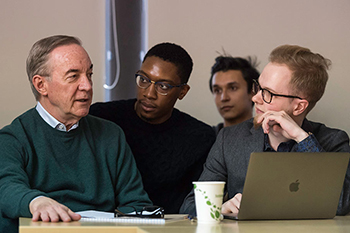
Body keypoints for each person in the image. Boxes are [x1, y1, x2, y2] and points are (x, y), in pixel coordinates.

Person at [0, 35, 152, 233]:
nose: (87, 86)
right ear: (41, 85)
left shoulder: (111, 135)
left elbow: (137, 204)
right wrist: (36, 202)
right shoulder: (13, 138)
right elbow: (6, 187)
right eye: (73, 76)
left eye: (89, 74)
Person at [180, 44, 350, 216]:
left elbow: (343, 204)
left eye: (268, 93)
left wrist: (302, 138)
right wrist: (219, 209)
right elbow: (190, 205)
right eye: (258, 87)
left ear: (299, 107)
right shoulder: (229, 139)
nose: (255, 98)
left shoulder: (334, 141)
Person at [89, 42, 216, 214]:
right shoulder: (101, 118)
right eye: (143, 80)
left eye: (163, 86)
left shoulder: (199, 137)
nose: (149, 93)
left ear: (182, 92)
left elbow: (199, 204)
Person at [209, 55, 260, 134]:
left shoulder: (269, 139)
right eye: (217, 90)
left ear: (253, 92)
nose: (224, 98)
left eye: (233, 88)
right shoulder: (205, 140)